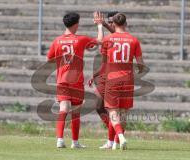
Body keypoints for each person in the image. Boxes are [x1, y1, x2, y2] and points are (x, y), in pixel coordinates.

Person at [47, 12, 103, 149]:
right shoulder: (80, 39)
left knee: (63, 108)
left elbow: (50, 59)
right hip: (76, 81)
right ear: (76, 24)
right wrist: (100, 25)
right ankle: (75, 142)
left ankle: (59, 140)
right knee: (76, 111)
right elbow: (100, 41)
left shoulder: (57, 41)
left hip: (62, 80)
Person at [101, 13, 144, 150]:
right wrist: (140, 71)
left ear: (113, 24)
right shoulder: (133, 40)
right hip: (127, 79)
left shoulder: (108, 39)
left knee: (113, 112)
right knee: (123, 112)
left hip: (112, 79)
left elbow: (103, 62)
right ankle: (117, 143)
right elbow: (140, 64)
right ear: (126, 23)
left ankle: (120, 136)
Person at [89, 11, 120, 149]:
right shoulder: (109, 39)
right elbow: (104, 62)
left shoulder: (122, 36)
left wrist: (103, 25)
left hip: (116, 76)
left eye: (113, 22)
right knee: (97, 104)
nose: (111, 24)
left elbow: (116, 31)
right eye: (110, 21)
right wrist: (95, 74)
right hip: (104, 75)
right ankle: (116, 133)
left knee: (113, 109)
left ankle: (114, 138)